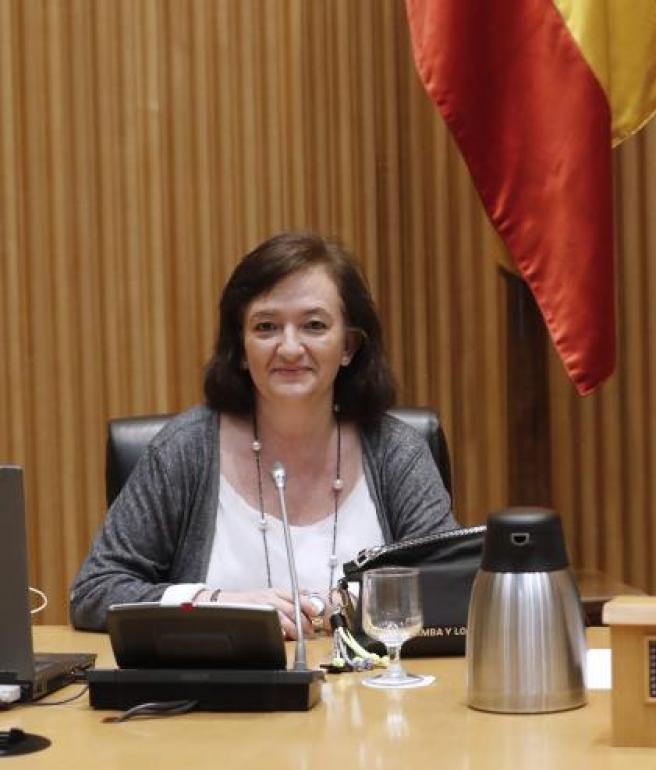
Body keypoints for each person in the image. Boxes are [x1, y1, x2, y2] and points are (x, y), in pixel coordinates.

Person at [71, 232, 457, 638]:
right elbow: (95, 591)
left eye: (313, 325)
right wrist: (217, 604)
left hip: (367, 680)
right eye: (266, 327)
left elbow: (452, 586)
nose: (289, 348)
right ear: (240, 347)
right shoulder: (185, 450)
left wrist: (343, 605)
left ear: (348, 346)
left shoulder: (396, 452)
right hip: (221, 681)